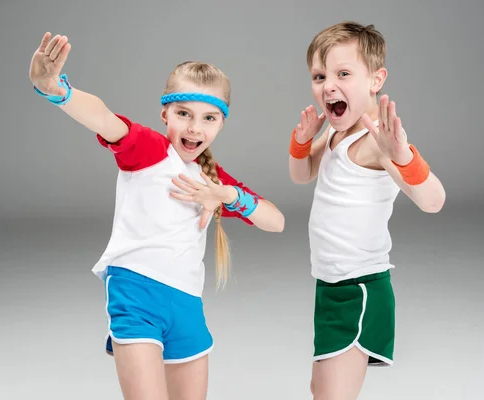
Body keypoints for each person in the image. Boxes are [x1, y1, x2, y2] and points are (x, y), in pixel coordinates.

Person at [28, 31, 285, 400]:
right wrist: (56, 89)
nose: (195, 128)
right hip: (135, 294)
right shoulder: (149, 149)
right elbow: (102, 117)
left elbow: (276, 221)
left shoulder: (212, 179)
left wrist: (227, 195)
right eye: (184, 114)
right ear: (165, 112)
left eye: (209, 118)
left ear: (221, 124)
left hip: (186, 305)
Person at [288, 21, 446, 399]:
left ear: (376, 80)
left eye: (343, 73)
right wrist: (302, 141)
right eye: (319, 75)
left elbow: (433, 200)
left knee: (332, 393)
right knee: (320, 387)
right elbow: (301, 175)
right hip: (330, 286)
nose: (328, 85)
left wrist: (403, 156)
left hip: (358, 288)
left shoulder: (377, 141)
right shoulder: (335, 131)